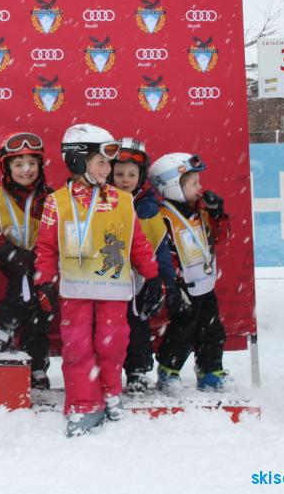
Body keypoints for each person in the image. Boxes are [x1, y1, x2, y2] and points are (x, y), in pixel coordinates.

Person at [34, 124, 158, 436]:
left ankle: (110, 391)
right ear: (78, 161)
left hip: (112, 290)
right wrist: (44, 280)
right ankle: (83, 404)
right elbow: (46, 247)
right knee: (77, 347)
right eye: (101, 162)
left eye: (108, 163)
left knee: (111, 342)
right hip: (75, 290)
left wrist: (152, 275)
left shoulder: (123, 200)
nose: (107, 169)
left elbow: (137, 242)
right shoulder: (57, 202)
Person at [148, 152, 231, 393]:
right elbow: (161, 255)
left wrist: (217, 213)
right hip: (183, 287)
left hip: (206, 285)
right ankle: (169, 371)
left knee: (213, 330)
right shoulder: (163, 218)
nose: (200, 187)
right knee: (183, 330)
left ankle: (210, 371)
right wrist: (171, 285)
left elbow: (221, 237)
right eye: (193, 183)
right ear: (173, 187)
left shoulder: (202, 211)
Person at [0, 132, 54, 389]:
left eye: (32, 163)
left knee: (42, 308)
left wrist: (41, 258)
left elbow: (59, 234)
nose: (26, 170)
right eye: (18, 164)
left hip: (44, 262)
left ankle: (37, 362)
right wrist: (13, 255)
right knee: (23, 280)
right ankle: (6, 326)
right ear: (7, 168)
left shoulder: (51, 198)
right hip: (11, 258)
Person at [111, 138, 176, 394]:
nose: (125, 180)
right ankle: (106, 372)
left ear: (141, 176)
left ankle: (137, 371)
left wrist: (165, 282)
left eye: (131, 174)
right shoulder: (101, 200)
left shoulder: (148, 207)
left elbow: (160, 246)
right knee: (107, 330)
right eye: (119, 174)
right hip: (107, 278)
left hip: (139, 281)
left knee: (137, 327)